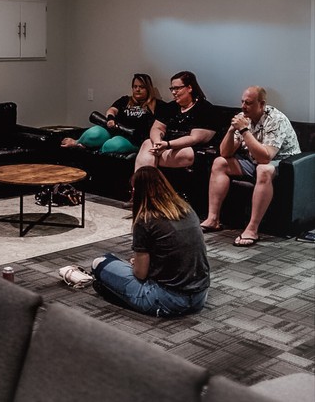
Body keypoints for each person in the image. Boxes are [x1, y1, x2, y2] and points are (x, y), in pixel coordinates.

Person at [91, 166, 210, 317]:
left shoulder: (146, 219)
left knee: (100, 262)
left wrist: (139, 265)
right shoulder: (187, 209)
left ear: (136, 191)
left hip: (168, 301)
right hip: (199, 297)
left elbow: (140, 274)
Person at [200, 86, 301, 246]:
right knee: (219, 163)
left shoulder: (276, 119)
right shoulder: (243, 117)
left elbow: (265, 157)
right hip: (253, 160)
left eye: (248, 103)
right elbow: (225, 152)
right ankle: (213, 219)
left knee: (263, 170)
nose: (243, 106)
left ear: (261, 104)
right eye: (242, 102)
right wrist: (231, 130)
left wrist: (244, 131)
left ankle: (252, 228)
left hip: (284, 164)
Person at [134, 71, 218, 172]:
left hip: (190, 148)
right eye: (172, 89)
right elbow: (157, 127)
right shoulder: (170, 107)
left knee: (184, 154)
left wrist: (168, 144)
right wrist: (157, 142)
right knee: (147, 143)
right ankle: (142, 180)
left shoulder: (205, 109)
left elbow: (194, 138)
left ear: (189, 88)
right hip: (166, 145)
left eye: (177, 88)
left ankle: (148, 169)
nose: (173, 92)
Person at [61, 73, 164, 154]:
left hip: (133, 140)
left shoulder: (157, 105)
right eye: (135, 86)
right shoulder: (125, 100)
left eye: (141, 87)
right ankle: (77, 142)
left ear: (148, 88)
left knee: (113, 145)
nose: (137, 89)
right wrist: (111, 118)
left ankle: (93, 149)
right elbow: (112, 110)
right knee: (94, 133)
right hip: (113, 131)